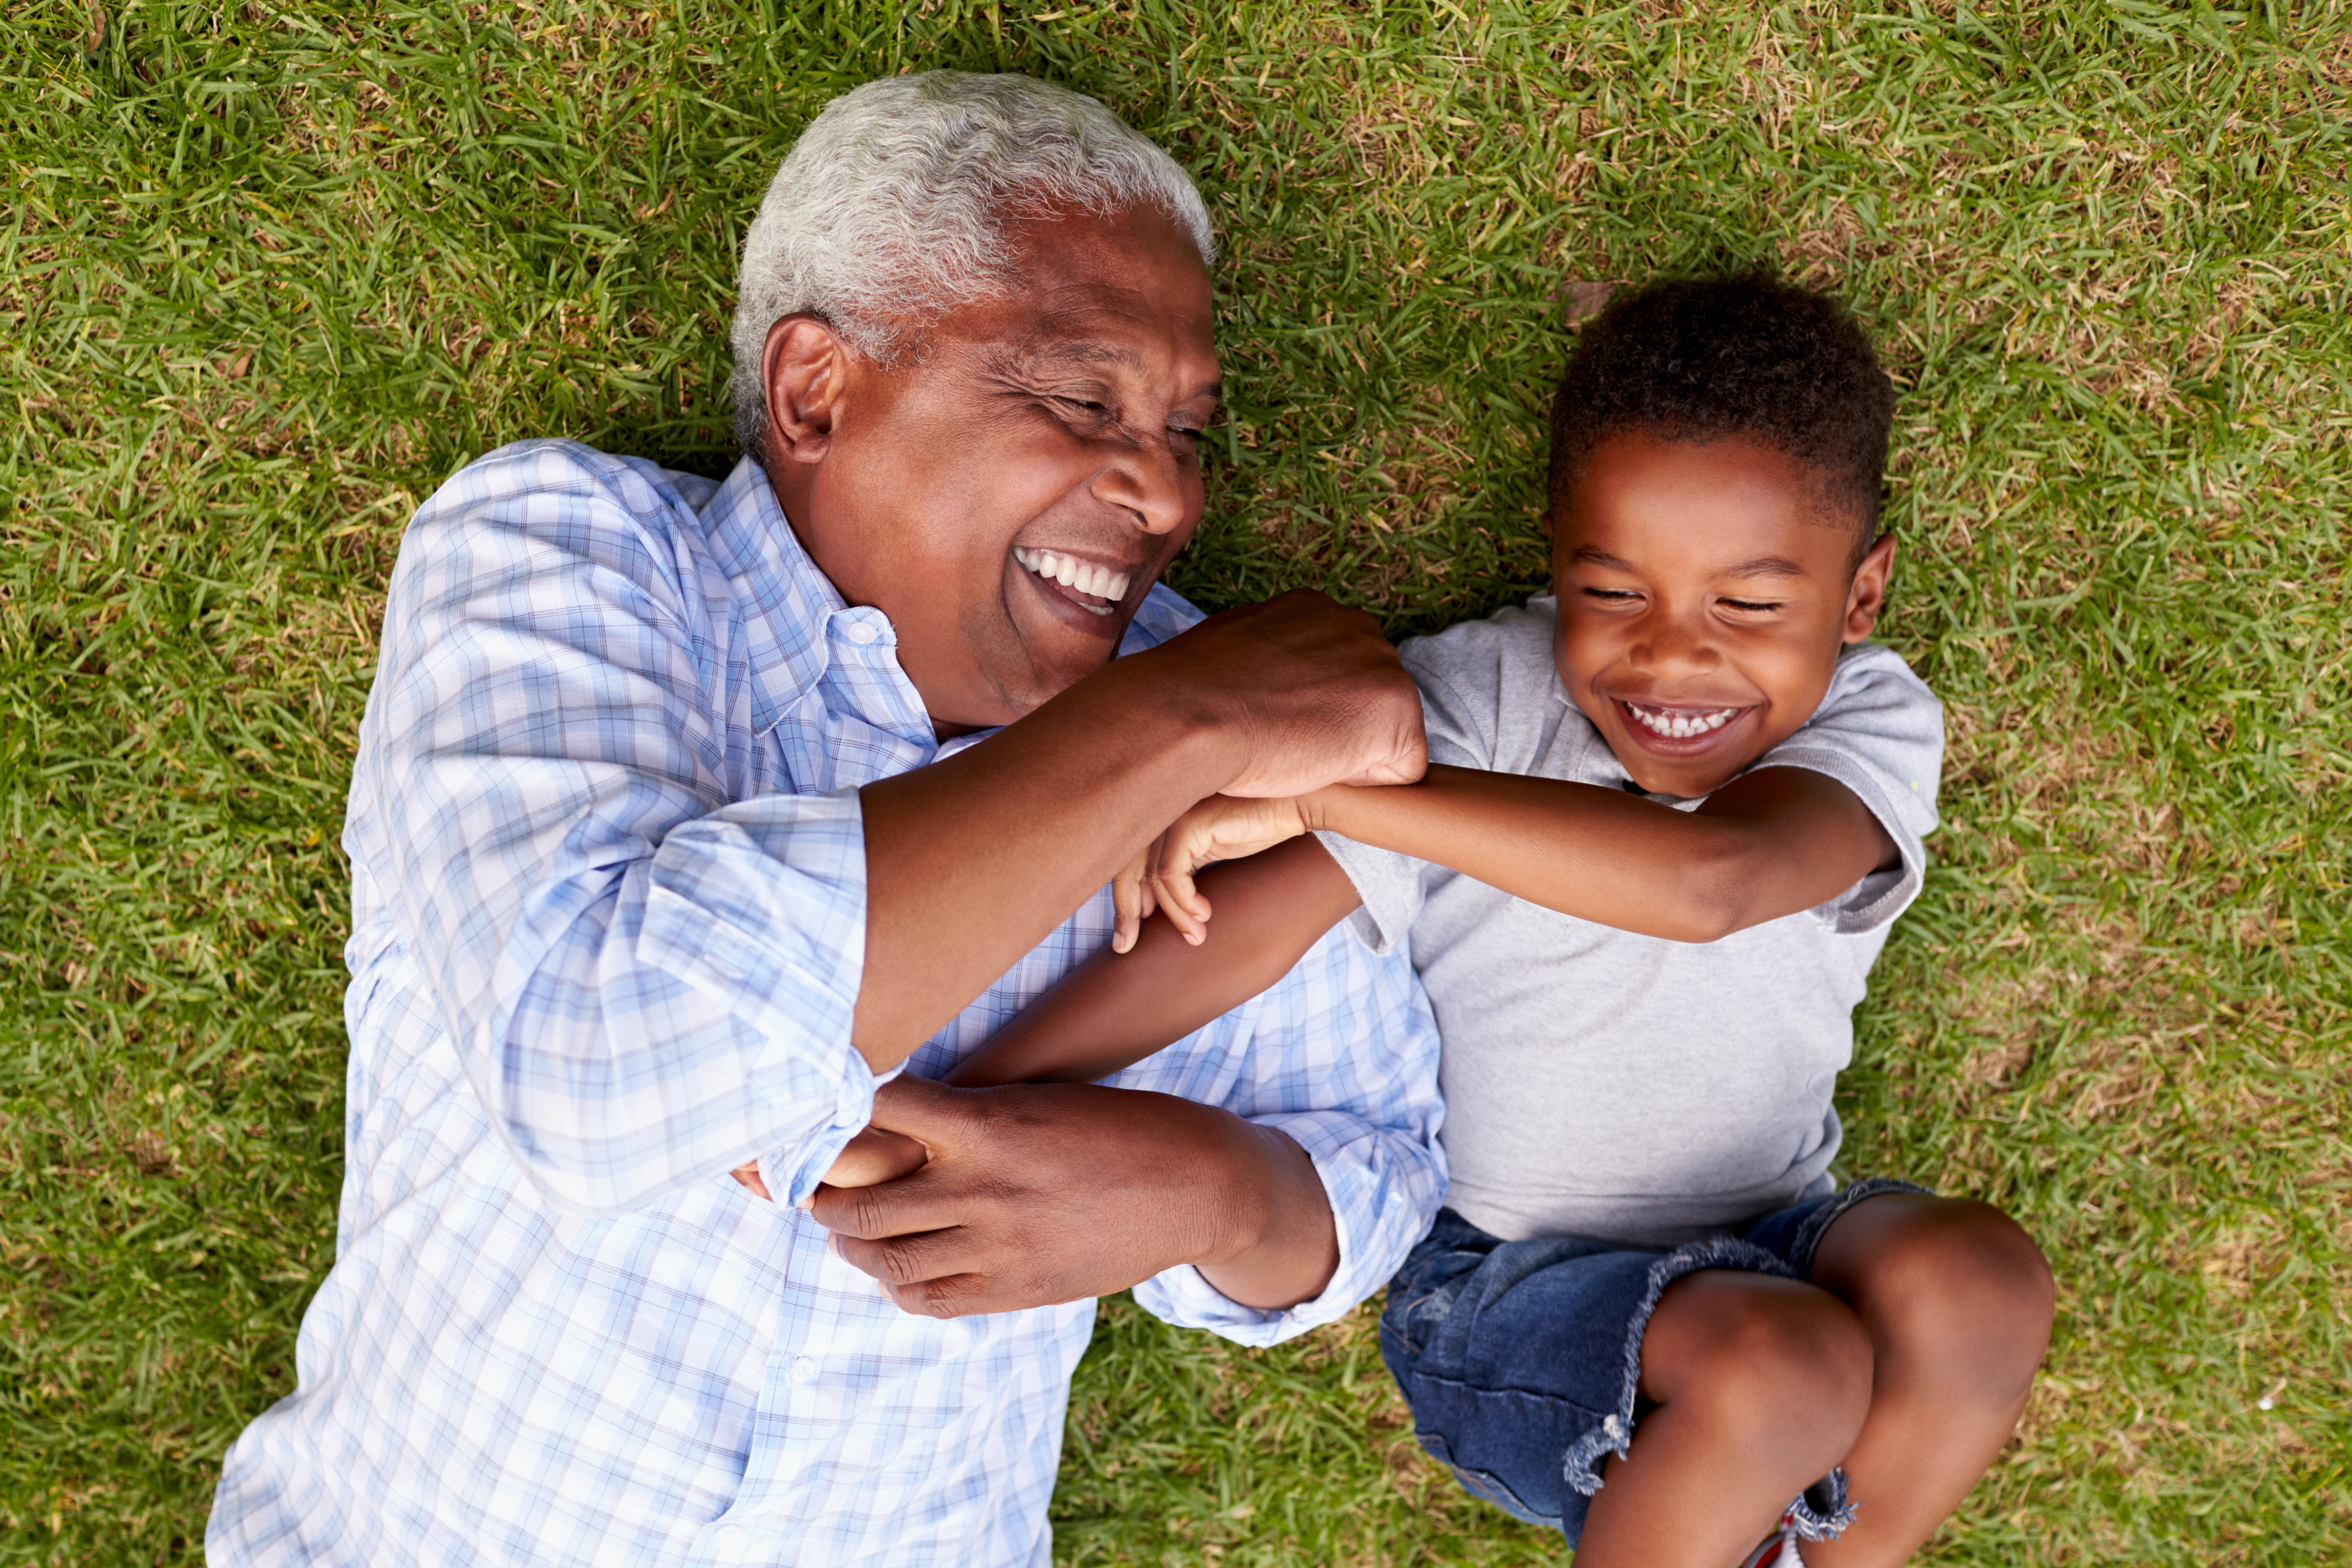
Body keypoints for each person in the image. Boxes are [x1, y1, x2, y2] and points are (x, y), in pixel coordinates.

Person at [205, 71, 1450, 1568]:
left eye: (1188, 429)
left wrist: (1203, 1191)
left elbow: (1372, 1165)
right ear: (816, 392)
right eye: (1081, 399)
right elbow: (606, 1064)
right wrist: (1176, 724)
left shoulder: (1221, 730)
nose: (1166, 494)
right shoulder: (565, 556)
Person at [857, 277, 2057, 1568]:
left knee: (1980, 1279)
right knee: (1789, 1363)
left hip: (1784, 1224)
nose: (1671, 663)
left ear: (1860, 595)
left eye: (1749, 608)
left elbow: (1715, 883)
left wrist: (1347, 793)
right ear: (1556, 557)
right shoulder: (1477, 696)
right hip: (1504, 1289)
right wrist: (974, 1095)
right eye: (1614, 594)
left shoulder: (1867, 722)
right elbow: (1249, 929)